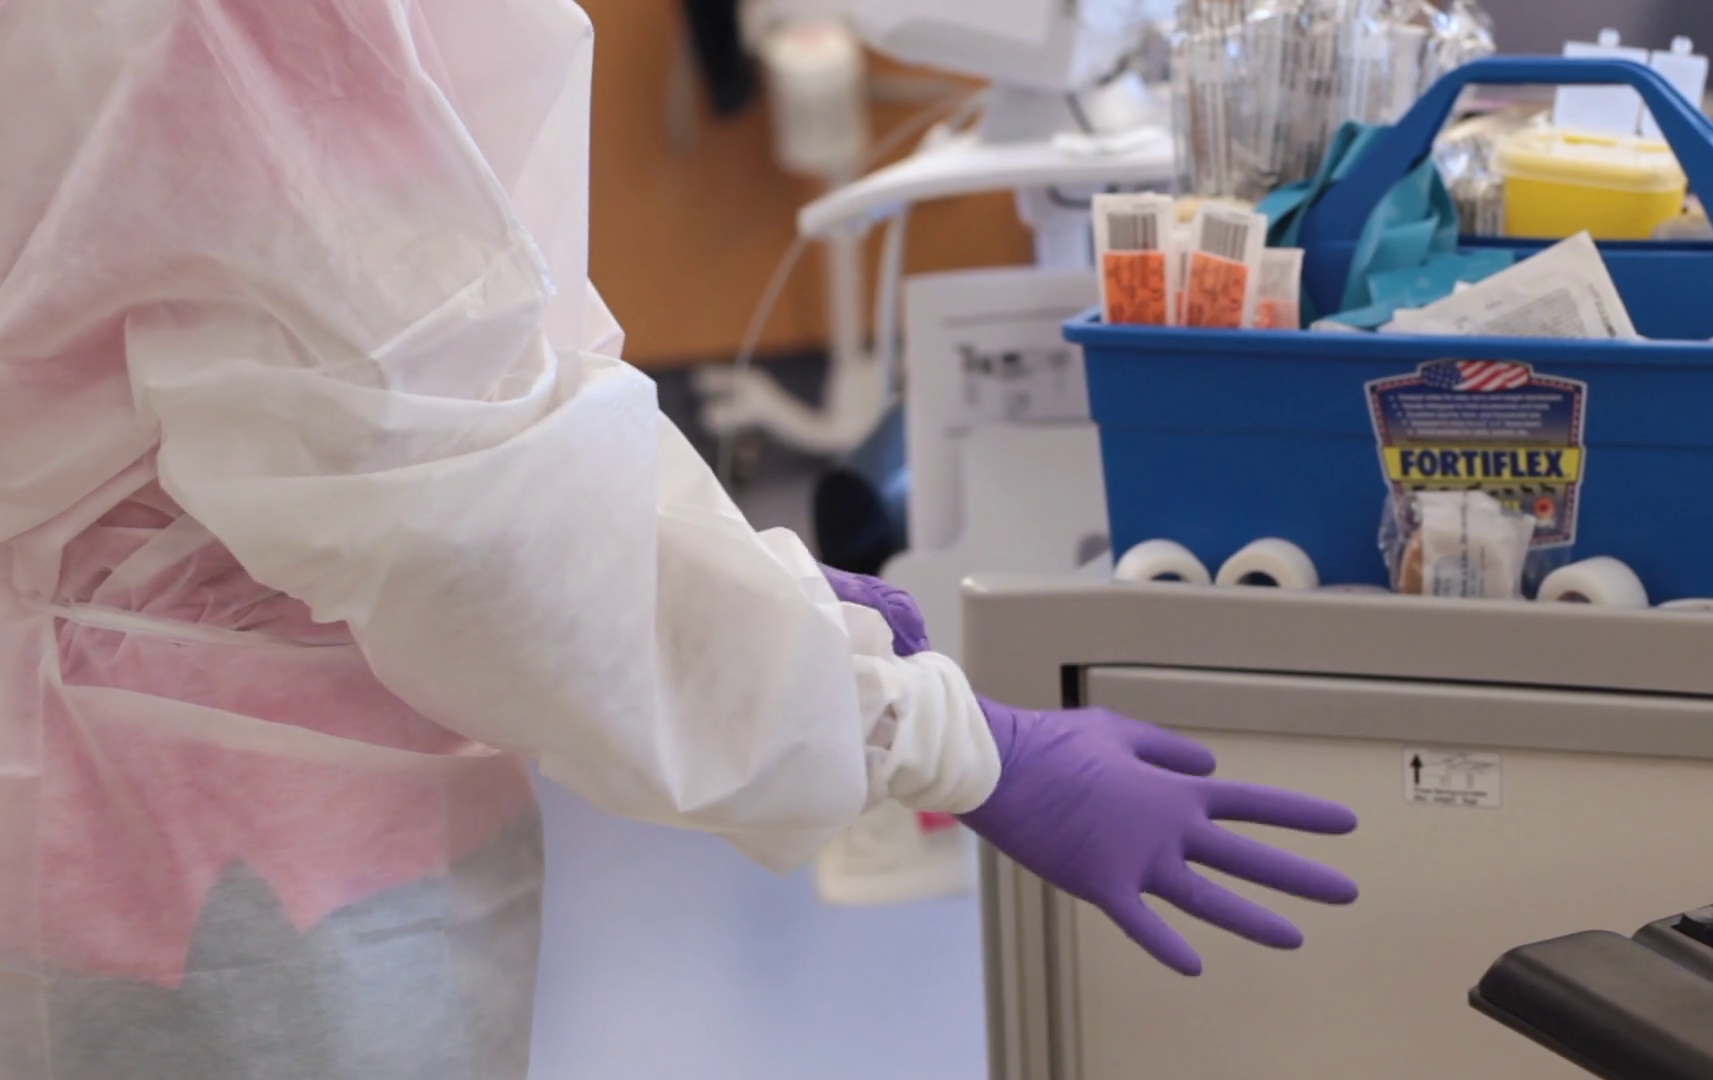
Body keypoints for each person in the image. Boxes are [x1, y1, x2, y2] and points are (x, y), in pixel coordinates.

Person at [0, 1, 1359, 1076]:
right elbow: (456, 509)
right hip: (192, 855)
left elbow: (435, 394)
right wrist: (943, 738)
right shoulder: (257, 28)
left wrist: (742, 590)